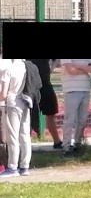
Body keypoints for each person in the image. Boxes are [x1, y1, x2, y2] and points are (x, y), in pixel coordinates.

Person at [0, 49, 38, 177]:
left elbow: (3, 94)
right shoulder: (27, 67)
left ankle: (12, 167)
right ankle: (24, 166)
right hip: (25, 101)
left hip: (11, 102)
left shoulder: (8, 70)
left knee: (13, 136)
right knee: (24, 134)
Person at [58, 59, 91, 154]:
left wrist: (79, 66)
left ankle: (78, 143)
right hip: (71, 89)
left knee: (82, 119)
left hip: (85, 89)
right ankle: (66, 145)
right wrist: (87, 69)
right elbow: (71, 70)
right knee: (70, 119)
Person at [31, 58, 60, 148]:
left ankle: (57, 141)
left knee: (51, 113)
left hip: (45, 84)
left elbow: (57, 60)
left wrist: (51, 69)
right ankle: (25, 144)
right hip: (30, 85)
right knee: (28, 116)